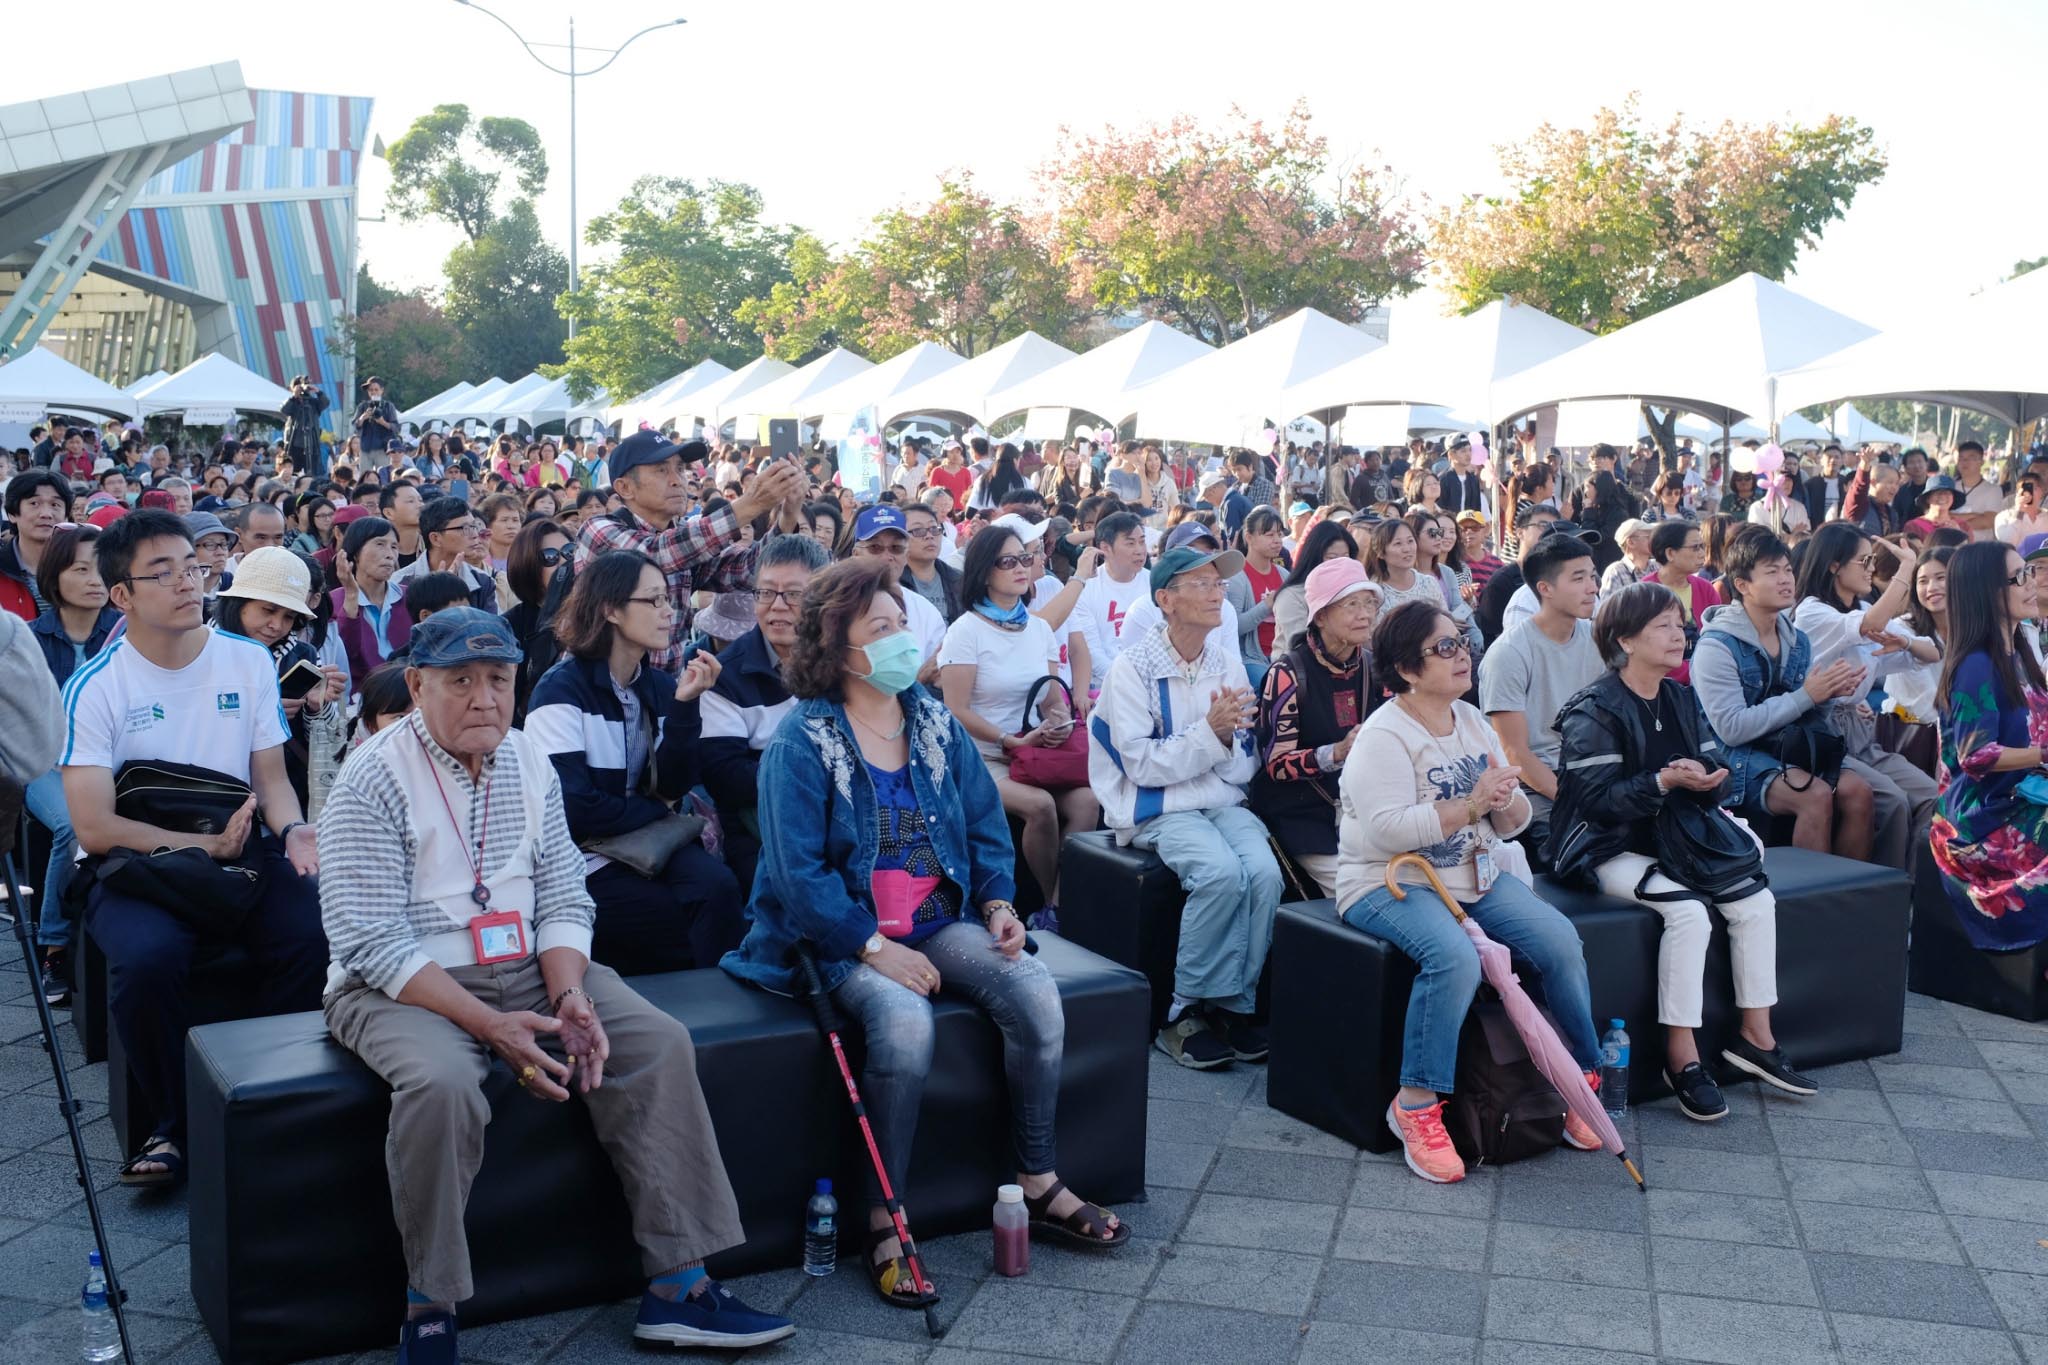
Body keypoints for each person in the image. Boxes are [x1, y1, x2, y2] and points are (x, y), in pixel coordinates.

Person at [316, 607, 792, 1356]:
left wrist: (570, 994)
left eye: (498, 680)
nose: (483, 698)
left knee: (657, 1042)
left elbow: (567, 892)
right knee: (441, 1086)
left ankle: (679, 1285)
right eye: (459, 681)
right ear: (415, 685)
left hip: (534, 964)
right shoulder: (371, 774)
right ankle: (429, 1301)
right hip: (406, 980)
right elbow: (369, 941)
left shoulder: (525, 756)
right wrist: (488, 1024)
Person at [725, 558, 1127, 1305]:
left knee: (1035, 988)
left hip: (936, 917)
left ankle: (1036, 1177)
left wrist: (1002, 905)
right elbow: (795, 876)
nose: (900, 640)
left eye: (902, 624)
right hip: (836, 935)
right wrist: (876, 950)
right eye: (880, 629)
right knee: (905, 1022)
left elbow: (983, 825)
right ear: (835, 645)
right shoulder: (801, 741)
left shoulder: (933, 719)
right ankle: (886, 1215)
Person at [61, 509, 326, 1186]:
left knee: (309, 933)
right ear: (121, 595)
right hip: (137, 868)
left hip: (239, 856)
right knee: (150, 959)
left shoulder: (247, 661)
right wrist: (199, 845)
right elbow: (93, 828)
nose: (187, 582)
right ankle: (173, 1125)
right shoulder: (96, 687)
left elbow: (271, 780)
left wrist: (294, 829)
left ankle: (258, 1093)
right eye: (163, 571)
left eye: (194, 566)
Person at [1337, 600, 1604, 1183]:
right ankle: (1415, 1106)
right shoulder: (1384, 735)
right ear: (1407, 669)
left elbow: (1508, 822)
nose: (1462, 655)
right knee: (1453, 958)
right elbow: (1385, 830)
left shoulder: (1472, 720)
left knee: (1559, 939)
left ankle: (1580, 1075)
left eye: (1460, 641)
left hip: (1470, 875)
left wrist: (1502, 802)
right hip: (1389, 879)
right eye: (1444, 648)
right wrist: (1474, 804)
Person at [1551, 581, 1818, 1120]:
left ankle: (1756, 1038)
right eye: (1665, 627)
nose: (1681, 635)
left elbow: (1715, 770)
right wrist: (1664, 781)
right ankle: (1682, 1056)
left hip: (1679, 840)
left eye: (1680, 624)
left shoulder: (1679, 695)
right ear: (1625, 640)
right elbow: (1595, 803)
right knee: (1689, 913)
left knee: (1755, 902)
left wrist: (1708, 778)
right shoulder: (1593, 709)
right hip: (1603, 849)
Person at [1089, 540, 1279, 1070]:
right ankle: (1182, 1011)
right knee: (1219, 874)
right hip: (1154, 806)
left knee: (1264, 874)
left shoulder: (1226, 663)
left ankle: (1232, 1003)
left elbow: (1243, 761)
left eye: (1219, 584)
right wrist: (1210, 737)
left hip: (1218, 798)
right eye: (1201, 584)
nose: (1217, 594)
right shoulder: (1132, 667)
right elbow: (1142, 767)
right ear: (1165, 600)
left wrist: (1213, 744)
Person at [525, 553, 745, 974]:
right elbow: (573, 808)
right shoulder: (560, 691)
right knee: (662, 915)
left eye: (668, 600)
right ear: (610, 609)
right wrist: (653, 808)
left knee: (718, 889)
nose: (669, 612)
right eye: (655, 601)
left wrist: (685, 707)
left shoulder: (658, 686)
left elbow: (675, 784)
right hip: (584, 854)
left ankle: (726, 1016)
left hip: (647, 842)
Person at [939, 523, 1097, 923]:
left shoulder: (1039, 627)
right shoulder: (965, 631)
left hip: (1033, 752)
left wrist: (1059, 721)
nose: (1020, 567)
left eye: (1024, 558)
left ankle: (1060, 903)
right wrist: (1011, 741)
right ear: (984, 571)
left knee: (1088, 802)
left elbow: (1050, 698)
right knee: (1040, 805)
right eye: (1007, 561)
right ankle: (1048, 903)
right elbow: (956, 710)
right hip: (982, 756)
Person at [1692, 527, 1876, 859]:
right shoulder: (1716, 645)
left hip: (1787, 746)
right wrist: (1808, 694)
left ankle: (1850, 898)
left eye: (1788, 569)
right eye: (1772, 571)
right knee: (1815, 796)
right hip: (1731, 757)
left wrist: (1829, 694)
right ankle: (1809, 905)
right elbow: (1732, 729)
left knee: (1858, 792)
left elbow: (1808, 712)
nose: (1785, 579)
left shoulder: (1797, 639)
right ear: (1743, 585)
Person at [579, 432, 802, 675]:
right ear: (625, 487)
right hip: (596, 692)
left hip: (664, 694)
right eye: (661, 470)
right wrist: (751, 503)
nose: (677, 480)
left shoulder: (685, 536)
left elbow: (746, 573)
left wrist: (787, 517)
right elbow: (656, 555)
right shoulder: (598, 530)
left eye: (680, 468)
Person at [1790, 522, 1941, 871]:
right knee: (1892, 800)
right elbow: (1870, 622)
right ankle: (1878, 890)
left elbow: (1931, 653)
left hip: (1862, 732)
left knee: (1931, 796)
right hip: (1822, 733)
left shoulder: (1859, 607)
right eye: (1865, 561)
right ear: (1834, 565)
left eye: (1873, 561)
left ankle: (1912, 889)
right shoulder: (1813, 611)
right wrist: (1906, 568)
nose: (1872, 569)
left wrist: (1903, 641)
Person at [1927, 541, 2048, 951]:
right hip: (1980, 824)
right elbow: (1976, 756)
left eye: (2029, 573)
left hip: (2022, 797)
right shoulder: (1976, 663)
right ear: (1985, 591)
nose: (2031, 585)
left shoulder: (2019, 651)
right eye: (2019, 577)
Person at [699, 536, 828, 895]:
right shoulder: (726, 675)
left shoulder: (844, 659)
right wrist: (817, 780)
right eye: (766, 593)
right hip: (760, 826)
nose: (777, 607)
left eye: (794, 594)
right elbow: (724, 776)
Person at [24, 524, 119, 1001]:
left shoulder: (125, 633)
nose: (95, 579)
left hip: (109, 761)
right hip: (44, 762)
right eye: (80, 569)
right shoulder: (28, 640)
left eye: (102, 568)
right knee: (72, 825)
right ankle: (54, 944)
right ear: (53, 576)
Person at [1253, 559, 1380, 897]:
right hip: (1304, 813)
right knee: (1361, 893)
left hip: (1364, 808)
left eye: (1369, 603)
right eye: (1351, 604)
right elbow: (1275, 765)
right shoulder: (1288, 674)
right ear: (1320, 616)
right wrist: (1335, 753)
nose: (1365, 614)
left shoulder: (1372, 667)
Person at [1480, 534, 1606, 858]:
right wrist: (1577, 800)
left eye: (1592, 575)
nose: (1592, 587)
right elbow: (1515, 753)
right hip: (1532, 787)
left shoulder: (1597, 638)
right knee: (1584, 852)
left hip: (1591, 772)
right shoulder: (1509, 654)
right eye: (1578, 578)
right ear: (1545, 589)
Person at [215, 547, 349, 817]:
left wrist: (316, 708)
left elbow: (322, 743)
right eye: (268, 610)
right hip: (223, 797)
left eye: (288, 616)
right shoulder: (203, 652)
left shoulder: (304, 656)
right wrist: (260, 713)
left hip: (288, 799)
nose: (276, 625)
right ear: (238, 603)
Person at [851, 505, 947, 660]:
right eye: (875, 547)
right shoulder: (839, 607)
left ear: (906, 554)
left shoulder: (926, 613)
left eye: (896, 548)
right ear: (856, 554)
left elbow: (936, 674)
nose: (887, 556)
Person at [333, 514, 411, 685]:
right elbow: (344, 655)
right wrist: (352, 597)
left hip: (407, 690)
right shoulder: (333, 602)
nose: (390, 555)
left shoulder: (410, 597)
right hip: (358, 696)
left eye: (394, 547)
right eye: (380, 544)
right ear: (355, 552)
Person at [389, 498, 499, 615]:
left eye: (474, 527)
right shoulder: (400, 583)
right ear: (435, 538)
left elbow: (493, 629)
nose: (475, 535)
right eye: (464, 528)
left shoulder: (483, 582)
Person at [1645, 520, 1720, 684]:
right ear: (1670, 553)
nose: (1702, 553)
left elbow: (1718, 638)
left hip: (1704, 678)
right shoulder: (1645, 593)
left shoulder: (1705, 589)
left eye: (1703, 546)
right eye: (1695, 548)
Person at [1, 470, 73, 620]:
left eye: (55, 504)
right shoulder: (3, 569)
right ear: (12, 514)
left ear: (66, 515)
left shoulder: (84, 567)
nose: (46, 513)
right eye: (34, 503)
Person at [1230, 506, 1287, 680]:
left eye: (1279, 534)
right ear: (1249, 538)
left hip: (1284, 656)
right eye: (1269, 535)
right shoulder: (1236, 577)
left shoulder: (1284, 575)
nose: (1277, 540)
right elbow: (1234, 626)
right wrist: (1266, 605)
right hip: (1252, 658)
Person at [899, 501, 961, 622]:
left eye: (934, 529)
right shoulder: (893, 584)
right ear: (900, 538)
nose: (929, 536)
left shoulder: (959, 580)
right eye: (918, 530)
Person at [1952, 440, 2003, 540]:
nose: (1965, 462)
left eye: (1971, 458)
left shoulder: (1993, 490)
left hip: (1980, 549)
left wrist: (1953, 521)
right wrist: (1974, 515)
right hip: (1953, 547)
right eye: (1961, 458)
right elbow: (1940, 516)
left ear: (1982, 462)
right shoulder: (1950, 487)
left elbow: (1988, 521)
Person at [1600, 518, 1655, 599]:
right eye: (1648, 537)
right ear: (1631, 543)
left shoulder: (1658, 566)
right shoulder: (1615, 572)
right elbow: (1608, 609)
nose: (1654, 540)